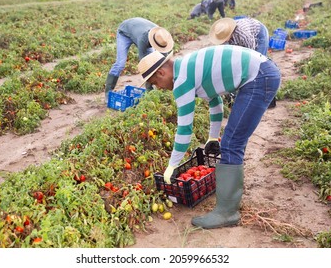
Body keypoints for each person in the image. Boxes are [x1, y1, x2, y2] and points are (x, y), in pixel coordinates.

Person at [137, 45, 280, 229]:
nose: (158, 88)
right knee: (233, 140)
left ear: (162, 73)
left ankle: (227, 212)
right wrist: (212, 138)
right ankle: (230, 198)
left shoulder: (182, 80)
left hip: (259, 77)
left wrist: (172, 165)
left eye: (154, 83)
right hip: (262, 71)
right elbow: (215, 102)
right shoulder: (190, 66)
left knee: (231, 142)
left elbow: (184, 128)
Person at [209, 17, 276, 107]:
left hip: (259, 33)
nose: (223, 41)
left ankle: (267, 98)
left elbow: (252, 57)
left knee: (258, 67)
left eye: (224, 39)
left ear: (229, 33)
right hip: (242, 35)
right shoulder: (223, 37)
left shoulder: (243, 36)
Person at [104, 17, 174, 103]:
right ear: (153, 41)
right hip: (125, 32)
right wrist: (150, 88)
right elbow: (146, 65)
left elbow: (164, 62)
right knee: (120, 64)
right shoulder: (143, 39)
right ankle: (108, 93)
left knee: (156, 62)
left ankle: (151, 90)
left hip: (137, 28)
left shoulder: (161, 37)